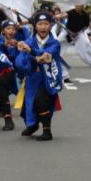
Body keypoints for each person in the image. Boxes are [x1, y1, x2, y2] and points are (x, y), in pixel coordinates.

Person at [14, 11, 64, 141]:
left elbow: (46, 54)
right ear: (35, 26)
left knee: (40, 100)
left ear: (50, 25)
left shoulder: (55, 43)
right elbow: (20, 61)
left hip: (48, 79)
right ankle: (33, 126)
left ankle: (47, 131)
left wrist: (32, 53)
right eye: (40, 24)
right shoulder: (29, 41)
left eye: (46, 23)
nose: (43, 27)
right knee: (27, 109)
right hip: (32, 80)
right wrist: (28, 67)